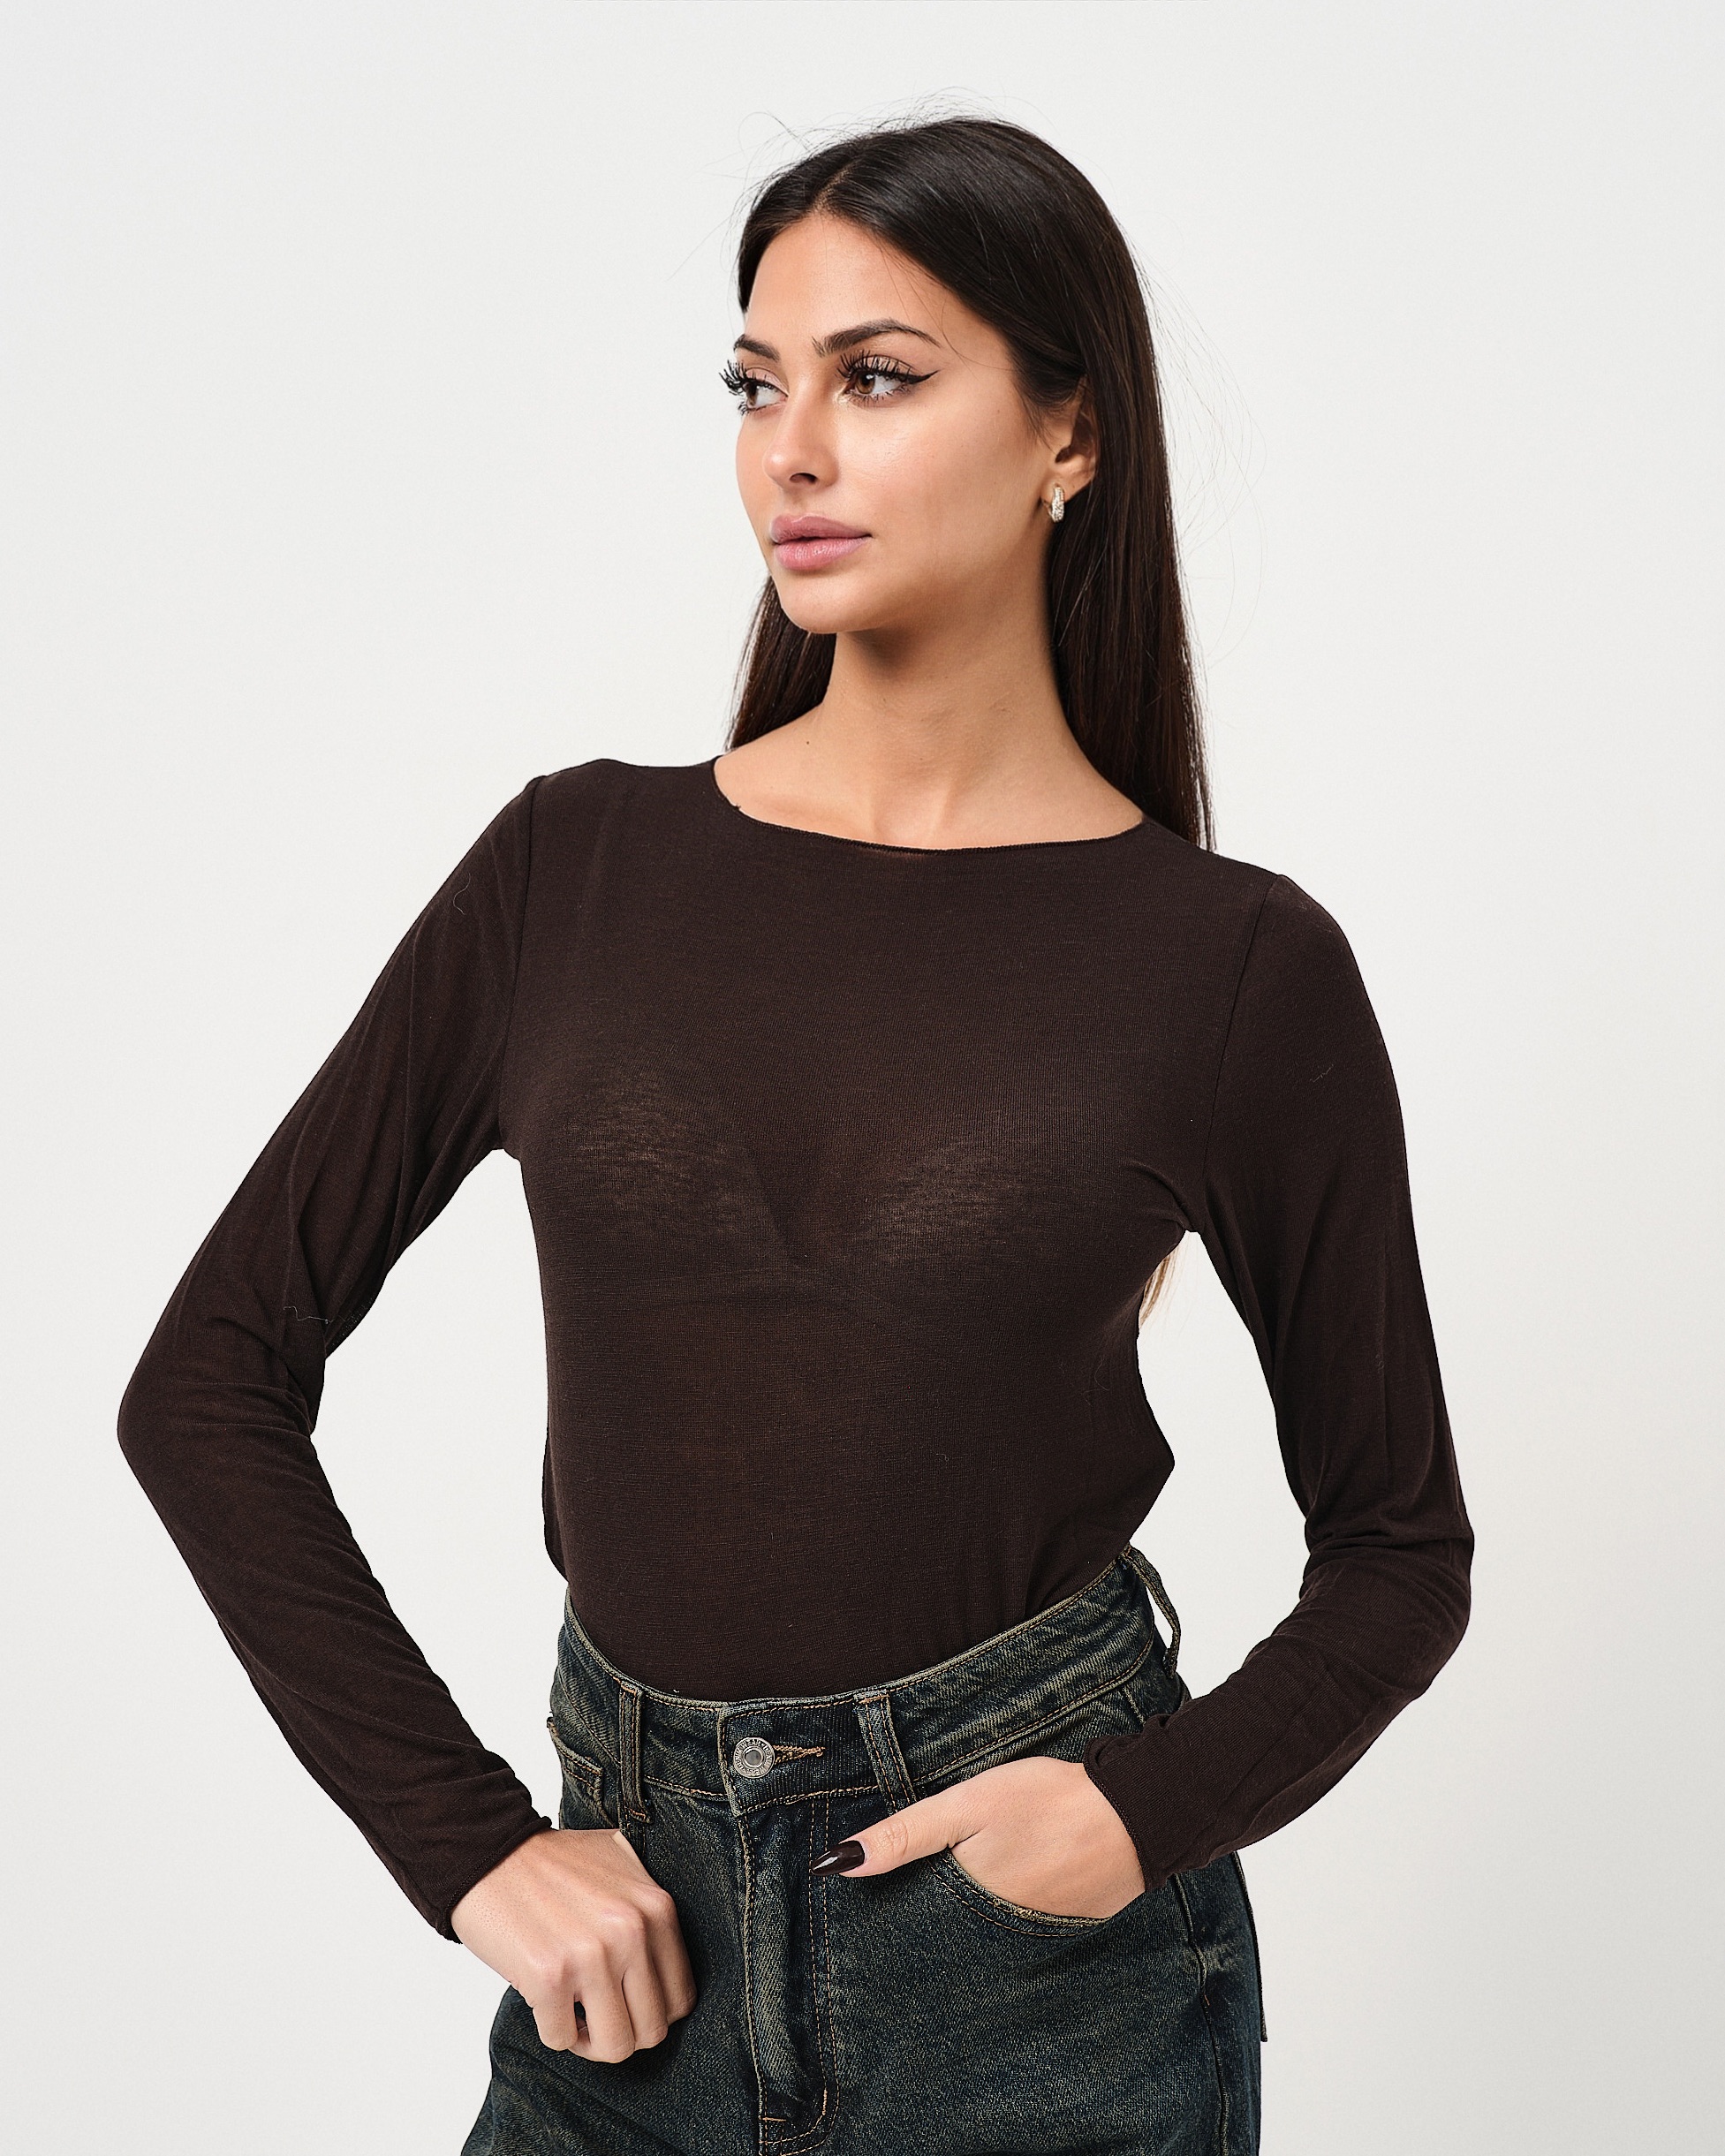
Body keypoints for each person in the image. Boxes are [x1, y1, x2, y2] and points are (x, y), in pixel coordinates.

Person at [117, 115, 1472, 2156]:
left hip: (1032, 1992)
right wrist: (468, 1847)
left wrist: (1130, 1818)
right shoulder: (572, 868)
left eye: (878, 378)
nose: (792, 452)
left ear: (1070, 437)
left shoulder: (1228, 966)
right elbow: (207, 1381)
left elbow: (1394, 1550)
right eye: (755, 386)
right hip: (626, 1975)